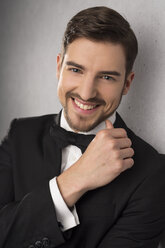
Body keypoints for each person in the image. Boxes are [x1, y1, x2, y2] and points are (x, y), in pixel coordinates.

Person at [0, 6, 165, 248]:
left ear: (127, 83)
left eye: (107, 77)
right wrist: (75, 180)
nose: (86, 93)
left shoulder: (152, 173)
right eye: (76, 70)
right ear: (59, 67)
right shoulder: (20, 134)